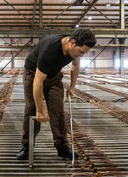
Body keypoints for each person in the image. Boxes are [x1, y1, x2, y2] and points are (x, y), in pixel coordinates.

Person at [16, 29, 96, 160]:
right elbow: (38, 82)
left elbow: (75, 65)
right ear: (73, 42)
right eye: (81, 52)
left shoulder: (74, 51)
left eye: (84, 53)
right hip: (33, 74)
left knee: (58, 111)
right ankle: (27, 146)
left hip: (53, 75)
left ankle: (62, 148)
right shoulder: (50, 50)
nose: (81, 55)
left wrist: (72, 87)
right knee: (32, 108)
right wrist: (41, 110)